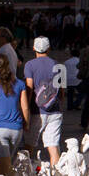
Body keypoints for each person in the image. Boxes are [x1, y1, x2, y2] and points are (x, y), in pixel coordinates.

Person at [0, 55, 30, 176]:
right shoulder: (20, 84)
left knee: (3, 169)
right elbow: (25, 108)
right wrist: (26, 124)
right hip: (17, 129)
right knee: (6, 163)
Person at [24, 35, 64, 166]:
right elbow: (62, 91)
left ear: (34, 48)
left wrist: (27, 109)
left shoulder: (30, 65)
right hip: (55, 110)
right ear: (49, 48)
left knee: (29, 146)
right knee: (53, 146)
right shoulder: (59, 65)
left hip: (37, 111)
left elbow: (29, 88)